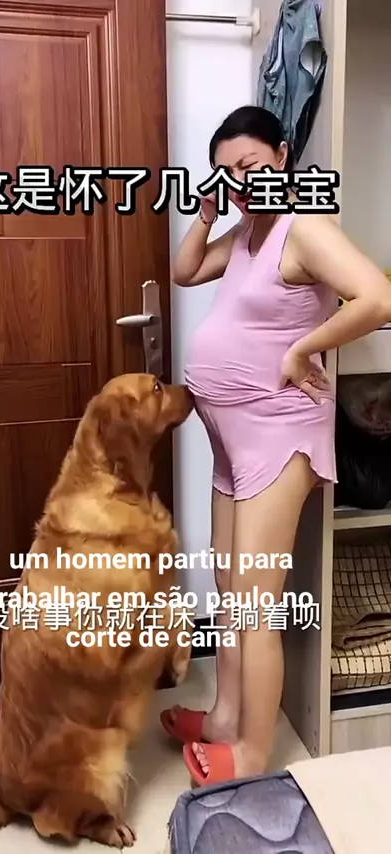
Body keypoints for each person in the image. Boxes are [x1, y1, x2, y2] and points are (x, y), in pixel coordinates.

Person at [160, 105, 391, 786]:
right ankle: (225, 718)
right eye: (226, 173)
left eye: (250, 166)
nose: (239, 182)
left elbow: (376, 298)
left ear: (283, 157)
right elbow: (185, 271)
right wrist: (207, 214)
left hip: (279, 435)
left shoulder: (304, 226)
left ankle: (253, 752)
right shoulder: (247, 230)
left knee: (255, 601)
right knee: (232, 589)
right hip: (233, 440)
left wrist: (301, 349)